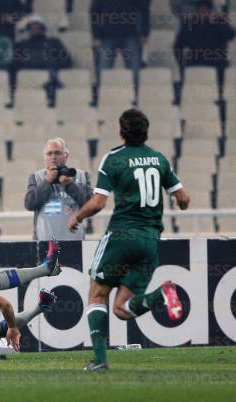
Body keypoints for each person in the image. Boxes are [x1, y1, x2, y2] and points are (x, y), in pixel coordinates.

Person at [67, 109, 190, 371]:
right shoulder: (159, 160)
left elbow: (99, 202)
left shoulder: (114, 159)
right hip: (150, 241)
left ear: (121, 131)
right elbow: (184, 199)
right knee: (121, 309)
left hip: (122, 236)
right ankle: (161, 294)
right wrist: (176, 204)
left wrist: (77, 216)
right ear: (146, 131)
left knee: (98, 295)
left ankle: (100, 360)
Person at [25, 138, 92, 241]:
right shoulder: (36, 177)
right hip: (45, 243)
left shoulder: (81, 176)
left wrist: (69, 185)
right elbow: (29, 204)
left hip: (75, 243)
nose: (53, 157)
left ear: (66, 156)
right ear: (45, 157)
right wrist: (47, 181)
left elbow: (90, 205)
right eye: (49, 154)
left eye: (57, 153)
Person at [90, 0, 150, 106]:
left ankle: (136, 100)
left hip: (130, 33)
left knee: (134, 72)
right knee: (103, 70)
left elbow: (144, 8)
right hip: (107, 35)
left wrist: (144, 32)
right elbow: (94, 11)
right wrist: (96, 35)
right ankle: (101, 100)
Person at [174, 0, 235, 102]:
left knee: (223, 71)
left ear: (211, 11)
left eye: (206, 11)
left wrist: (215, 22)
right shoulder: (190, 24)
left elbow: (231, 34)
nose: (203, 14)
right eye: (201, 11)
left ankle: (219, 100)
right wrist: (182, 62)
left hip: (216, 62)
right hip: (195, 62)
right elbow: (178, 45)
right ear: (197, 11)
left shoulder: (218, 22)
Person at [8, 15, 72, 107]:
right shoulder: (22, 45)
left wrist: (52, 64)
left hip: (50, 75)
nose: (35, 29)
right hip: (27, 77)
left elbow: (66, 60)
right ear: (28, 29)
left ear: (43, 28)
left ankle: (51, 101)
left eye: (37, 26)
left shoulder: (54, 42)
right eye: (32, 27)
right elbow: (14, 64)